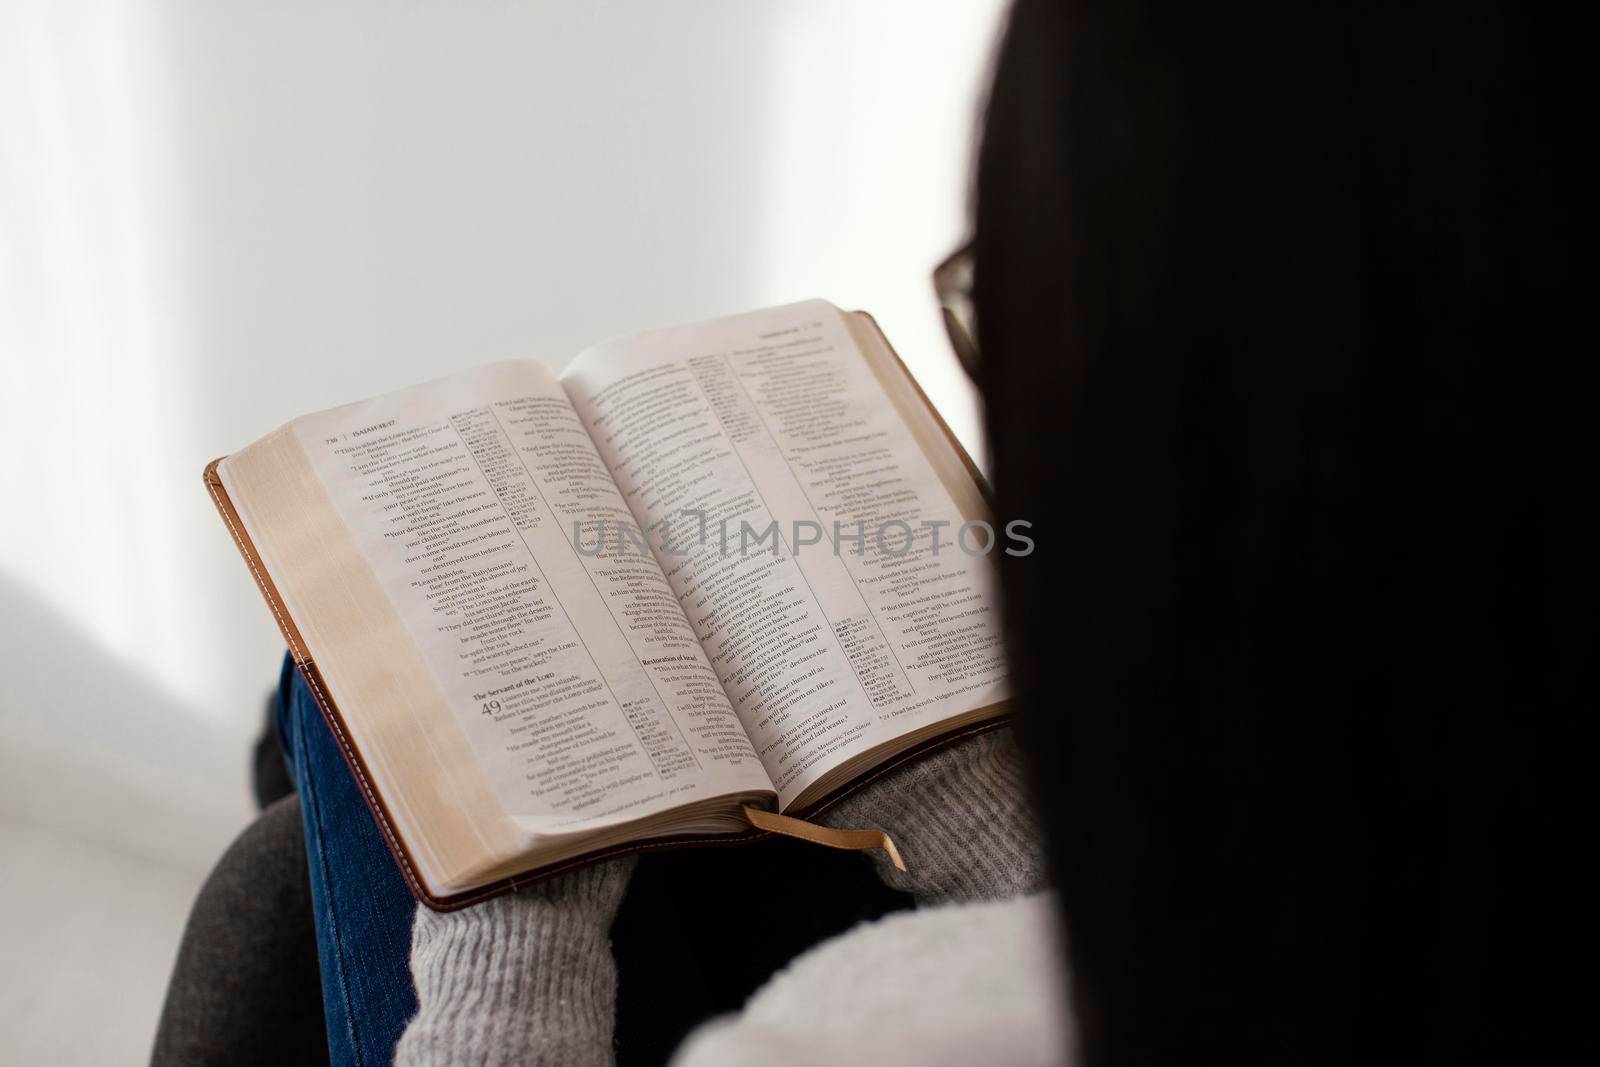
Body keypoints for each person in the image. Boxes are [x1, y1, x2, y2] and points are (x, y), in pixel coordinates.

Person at [157, 1, 1587, 1064]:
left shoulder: (857, 1042)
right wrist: (1027, 852)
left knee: (323, 767)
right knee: (297, 816)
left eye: (1001, 304)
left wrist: (512, 943)